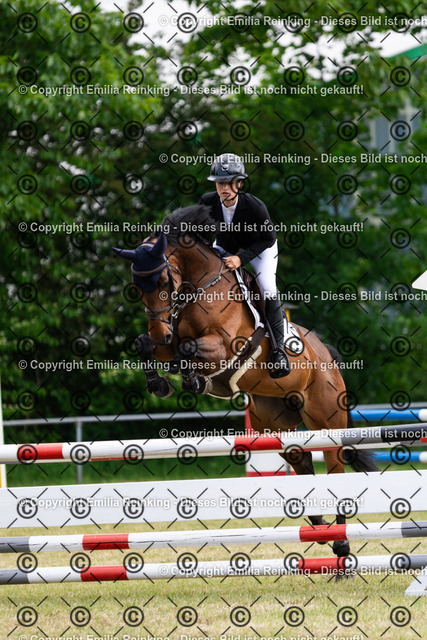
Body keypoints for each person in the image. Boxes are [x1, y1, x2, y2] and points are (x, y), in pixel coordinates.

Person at [199, 153, 290, 378]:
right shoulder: (207, 201)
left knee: (267, 288)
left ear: (239, 183)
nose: (224, 188)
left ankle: (279, 351)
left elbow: (268, 238)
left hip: (260, 249)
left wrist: (241, 259)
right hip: (226, 246)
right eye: (220, 183)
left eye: (230, 183)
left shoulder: (255, 206)